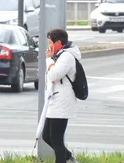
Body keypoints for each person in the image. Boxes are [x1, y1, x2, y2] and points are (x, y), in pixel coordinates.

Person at [42, 28, 81, 163]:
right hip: (55, 100)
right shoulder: (59, 55)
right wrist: (52, 58)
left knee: (56, 138)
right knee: (46, 135)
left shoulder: (67, 56)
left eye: (50, 42)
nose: (49, 46)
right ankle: (69, 157)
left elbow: (54, 75)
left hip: (63, 101)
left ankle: (64, 160)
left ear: (58, 42)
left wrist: (48, 60)